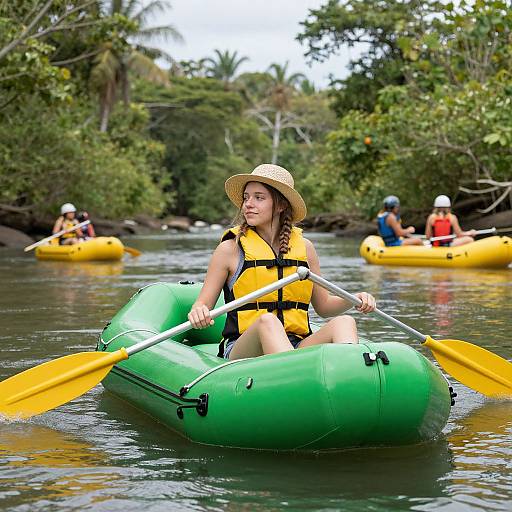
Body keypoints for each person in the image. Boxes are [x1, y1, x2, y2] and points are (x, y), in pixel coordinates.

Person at [187, 164, 376, 361]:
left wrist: (355, 299)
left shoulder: (305, 248)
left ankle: (351, 381)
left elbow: (324, 306)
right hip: (244, 348)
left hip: (296, 344)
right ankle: (296, 380)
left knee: (344, 322)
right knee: (267, 321)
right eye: (246, 197)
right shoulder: (230, 249)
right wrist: (198, 310)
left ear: (280, 205)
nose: (248, 204)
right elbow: (203, 303)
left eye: (259, 198)